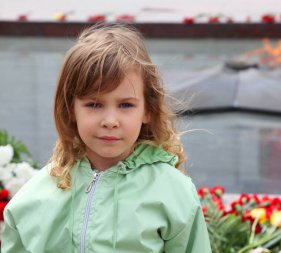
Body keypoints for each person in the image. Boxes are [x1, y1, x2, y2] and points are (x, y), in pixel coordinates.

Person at [2, 24, 212, 253]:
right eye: (94, 104)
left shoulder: (174, 193)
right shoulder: (34, 197)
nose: (110, 120)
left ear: (148, 110)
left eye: (125, 105)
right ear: (70, 110)